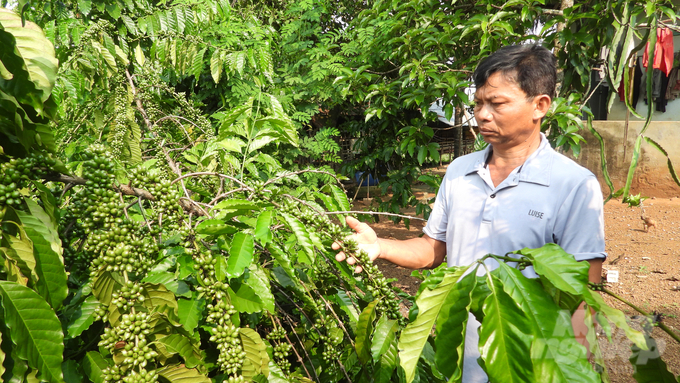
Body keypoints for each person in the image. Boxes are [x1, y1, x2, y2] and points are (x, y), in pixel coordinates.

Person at [332, 44, 605, 383]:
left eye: (497, 103)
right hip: (463, 358)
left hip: (532, 364)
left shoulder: (574, 185)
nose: (482, 114)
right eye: (478, 103)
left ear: (540, 106)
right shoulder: (460, 171)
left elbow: (583, 295)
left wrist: (574, 371)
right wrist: (379, 247)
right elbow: (434, 248)